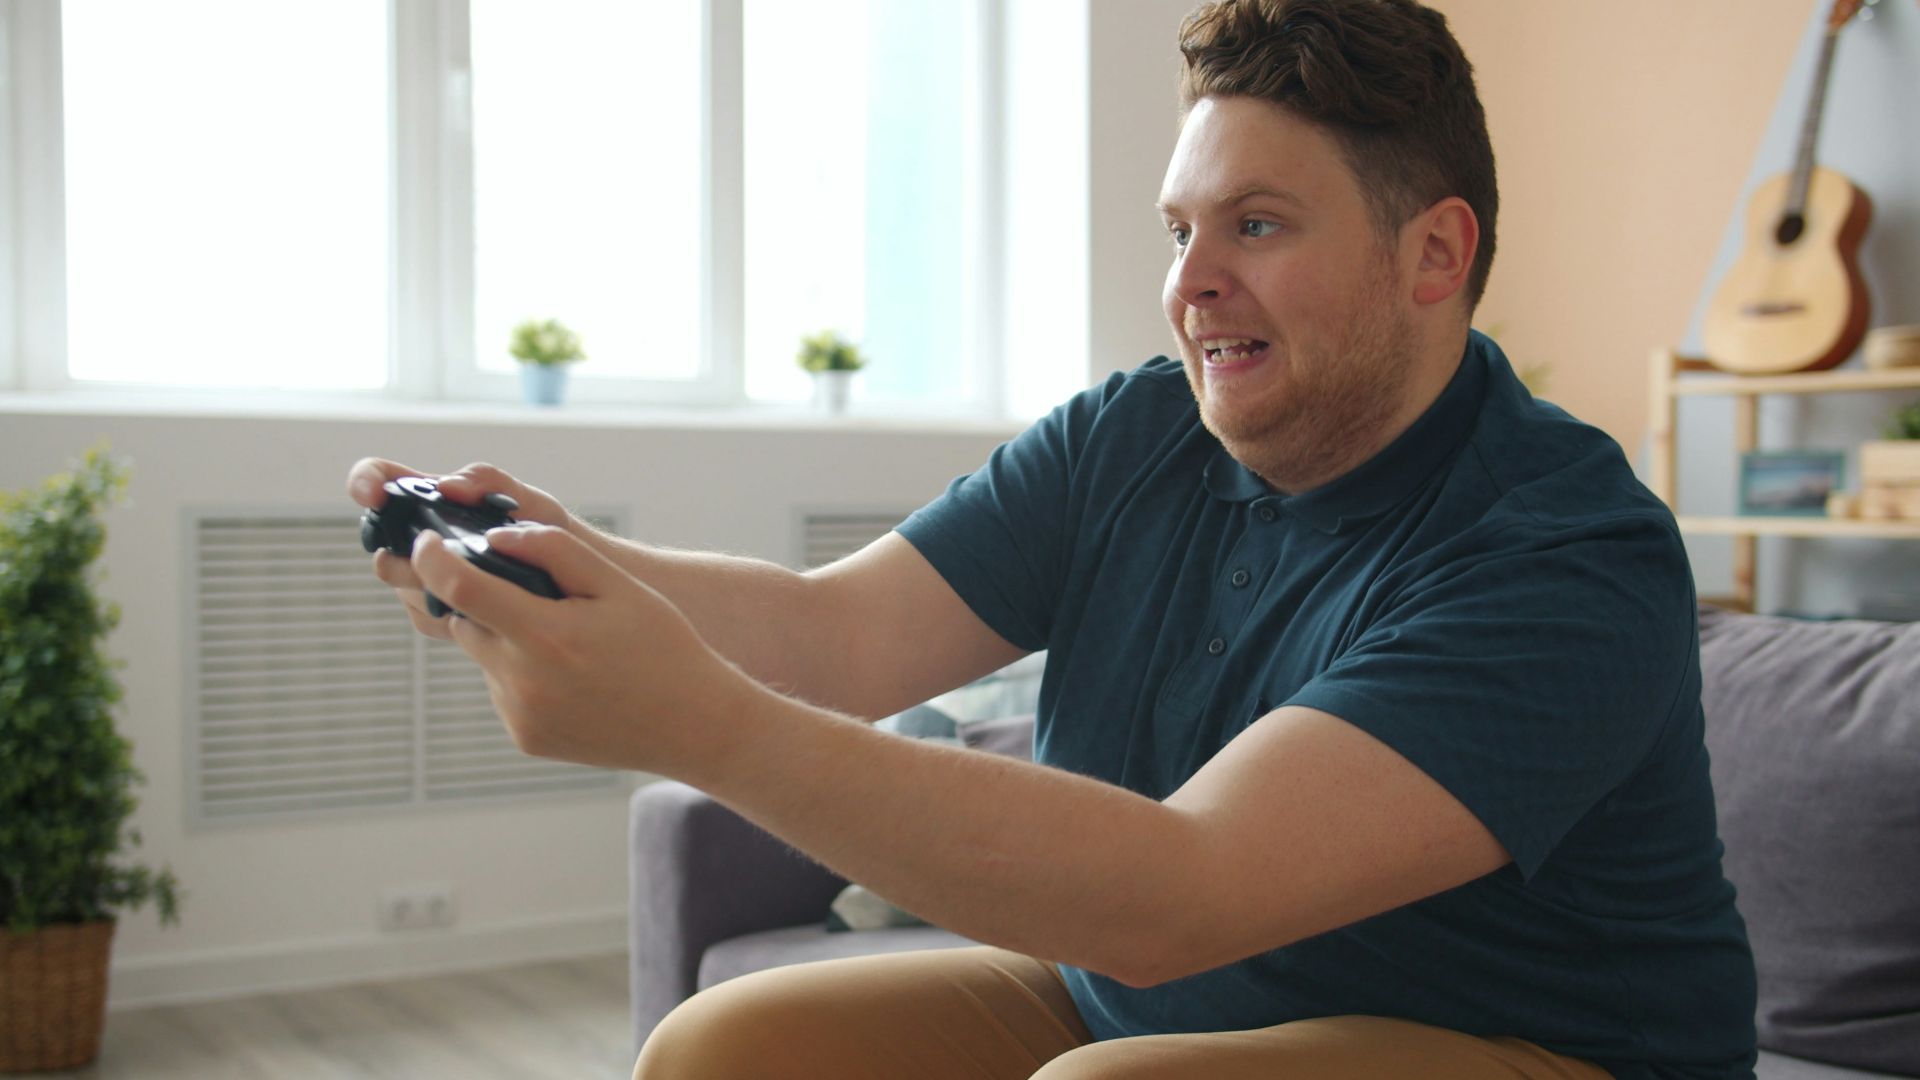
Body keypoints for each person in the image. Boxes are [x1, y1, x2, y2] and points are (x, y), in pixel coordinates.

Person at [349, 0, 1758, 1076]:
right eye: (1179, 230)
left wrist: (696, 723)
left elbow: (1182, 892)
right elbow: (839, 635)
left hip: (1529, 1051)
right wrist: (549, 554)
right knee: (722, 1051)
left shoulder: (1561, 551)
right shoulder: (1134, 435)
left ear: (1434, 257)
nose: (1192, 285)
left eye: (1256, 225)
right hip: (1136, 1006)